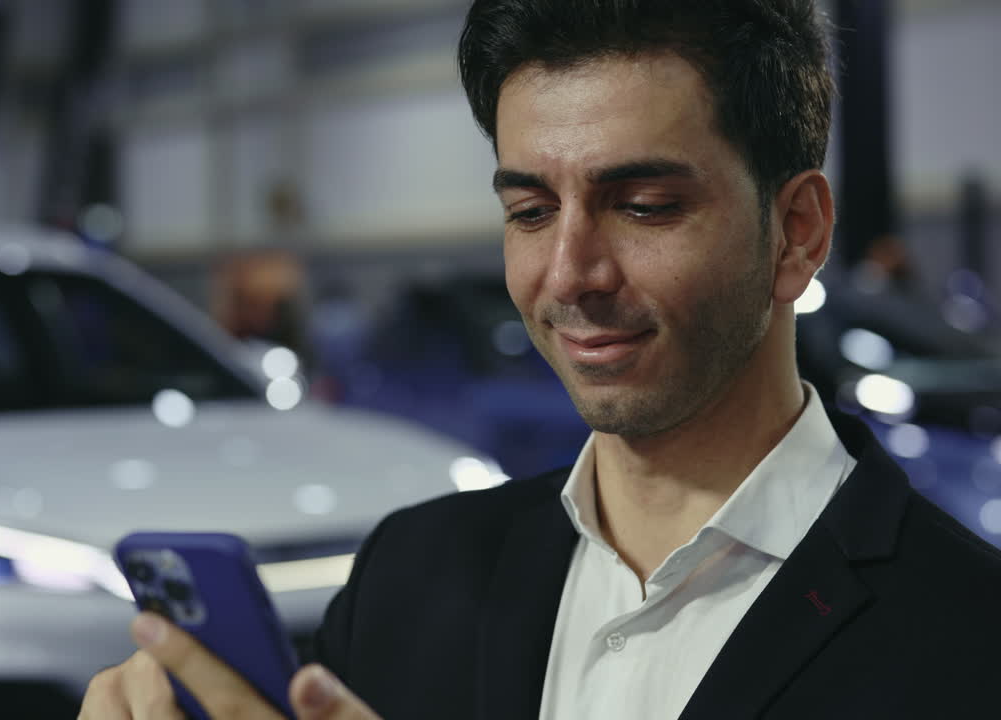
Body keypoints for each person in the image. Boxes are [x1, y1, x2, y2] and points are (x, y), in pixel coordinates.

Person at [79, 1, 1001, 718]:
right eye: (529, 211)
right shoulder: (414, 577)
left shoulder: (967, 639)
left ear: (796, 233)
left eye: (643, 205)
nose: (569, 274)